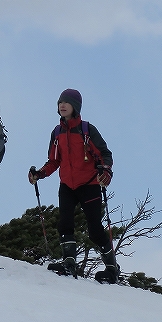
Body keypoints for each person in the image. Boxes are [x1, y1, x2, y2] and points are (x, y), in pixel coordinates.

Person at [28, 89, 118, 283]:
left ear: (75, 107)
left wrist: (106, 171)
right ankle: (69, 264)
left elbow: (105, 153)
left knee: (95, 229)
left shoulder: (87, 130)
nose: (62, 105)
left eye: (67, 102)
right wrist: (39, 174)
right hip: (67, 185)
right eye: (60, 102)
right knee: (65, 223)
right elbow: (53, 161)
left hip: (89, 184)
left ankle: (112, 269)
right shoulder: (57, 132)